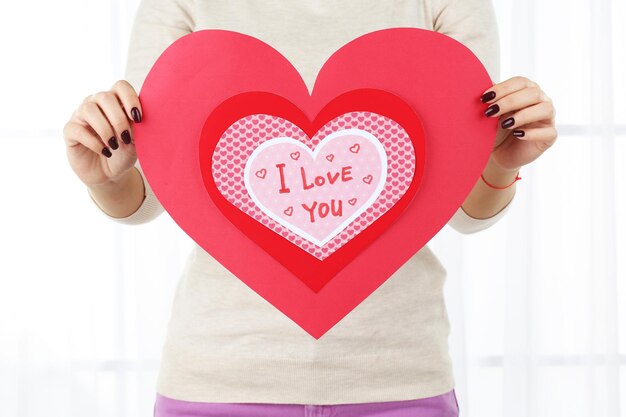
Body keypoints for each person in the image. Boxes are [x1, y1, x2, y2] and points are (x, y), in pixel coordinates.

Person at [62, 0, 557, 416]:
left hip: (399, 378)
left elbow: (463, 209)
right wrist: (107, 176)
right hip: (218, 379)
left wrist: (498, 162)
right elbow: (149, 193)